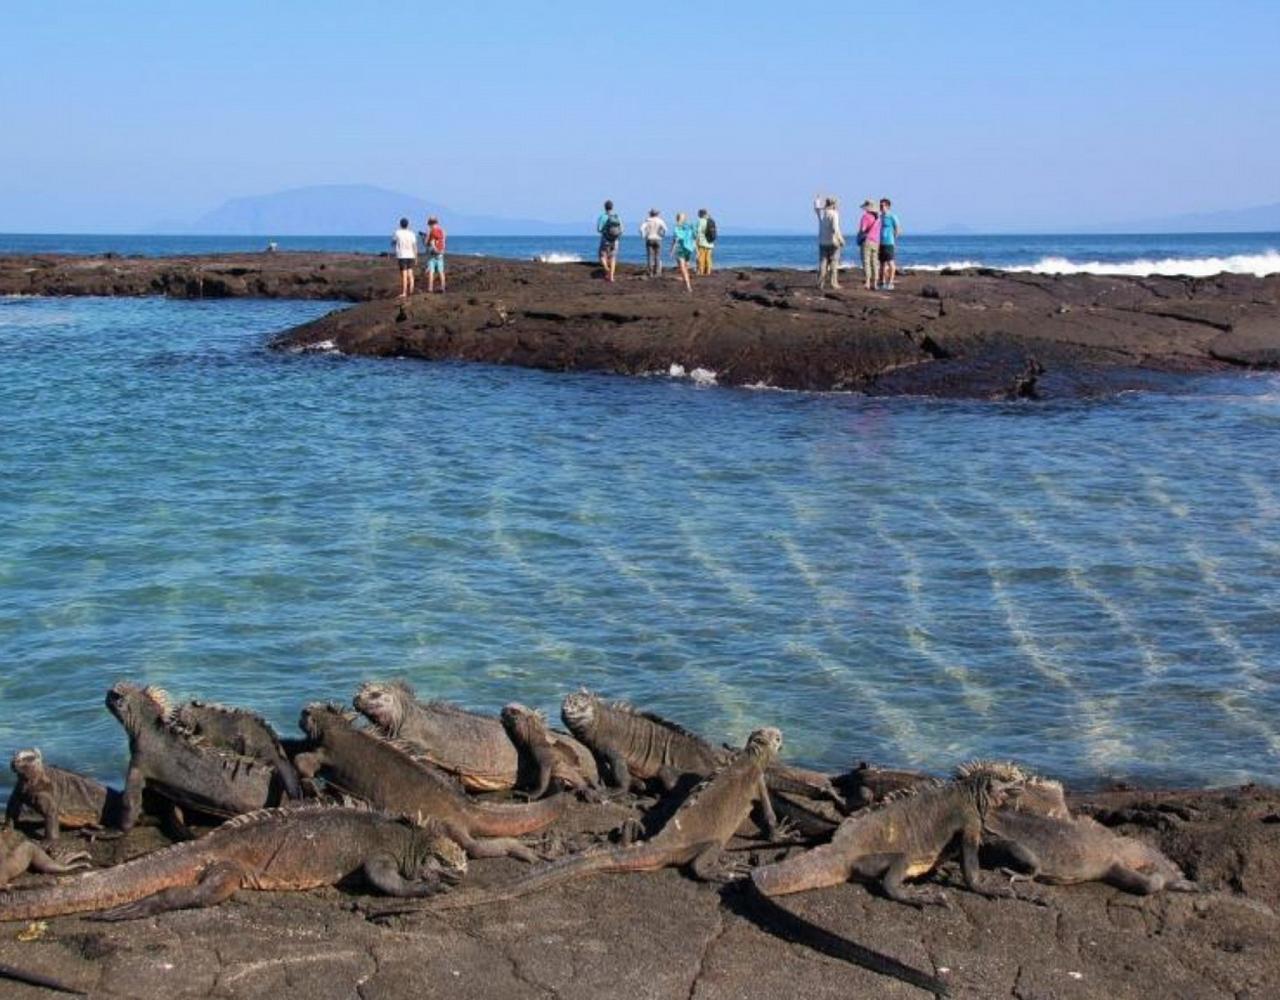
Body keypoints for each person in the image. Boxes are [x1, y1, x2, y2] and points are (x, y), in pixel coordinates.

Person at [813, 195, 845, 290]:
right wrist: (841, 240)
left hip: (822, 241)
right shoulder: (834, 214)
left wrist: (817, 200)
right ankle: (833, 283)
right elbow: (835, 229)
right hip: (833, 242)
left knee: (823, 262)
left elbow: (816, 208)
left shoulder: (822, 213)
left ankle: (820, 283)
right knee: (834, 263)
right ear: (834, 204)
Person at [857, 199, 881, 291]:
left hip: (867, 241)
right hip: (876, 242)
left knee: (866, 262)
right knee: (874, 262)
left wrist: (859, 234)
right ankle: (875, 283)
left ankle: (867, 282)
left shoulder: (865, 216)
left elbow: (862, 229)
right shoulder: (878, 218)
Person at [877, 198, 901, 290]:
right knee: (882, 263)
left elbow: (898, 229)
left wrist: (894, 239)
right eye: (880, 205)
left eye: (882, 205)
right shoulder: (880, 217)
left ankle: (890, 282)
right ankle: (882, 282)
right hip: (881, 243)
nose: (881, 207)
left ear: (888, 206)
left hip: (889, 242)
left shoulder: (892, 216)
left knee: (891, 263)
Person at [596, 200, 623, 282]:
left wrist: (605, 232)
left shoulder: (602, 217)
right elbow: (621, 229)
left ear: (605, 207)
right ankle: (611, 277)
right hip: (615, 240)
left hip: (605, 239)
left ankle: (607, 269)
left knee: (602, 256)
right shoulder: (617, 216)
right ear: (612, 207)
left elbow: (599, 229)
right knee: (613, 258)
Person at [670, 212, 697, 293]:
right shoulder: (690, 226)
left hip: (681, 249)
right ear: (685, 218)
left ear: (677, 218)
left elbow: (676, 240)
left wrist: (672, 250)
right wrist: (696, 250)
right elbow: (694, 238)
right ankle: (686, 286)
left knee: (683, 269)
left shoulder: (677, 227)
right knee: (685, 268)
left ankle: (688, 287)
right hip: (689, 249)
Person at [391, 217, 418, 297]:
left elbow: (393, 242)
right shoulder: (412, 233)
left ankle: (404, 292)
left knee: (404, 275)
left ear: (400, 224)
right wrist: (416, 257)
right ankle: (411, 290)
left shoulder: (397, 233)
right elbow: (415, 246)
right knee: (410, 273)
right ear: (408, 225)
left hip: (402, 256)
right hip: (411, 255)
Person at [639, 209, 668, 277]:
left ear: (650, 214)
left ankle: (650, 272)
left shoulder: (647, 221)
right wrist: (662, 235)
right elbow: (666, 229)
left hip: (649, 238)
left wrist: (643, 235)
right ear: (657, 214)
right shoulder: (660, 221)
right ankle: (657, 272)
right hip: (658, 239)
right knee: (657, 256)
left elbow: (641, 229)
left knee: (650, 256)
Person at [423, 215, 447, 293]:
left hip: (432, 254)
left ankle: (430, 288)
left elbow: (426, 243)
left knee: (431, 271)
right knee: (441, 271)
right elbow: (443, 241)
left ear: (429, 223)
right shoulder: (443, 230)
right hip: (440, 253)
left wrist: (424, 238)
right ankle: (443, 287)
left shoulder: (430, 231)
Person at [696, 208, 717, 275]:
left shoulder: (700, 221)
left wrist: (696, 241)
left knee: (701, 258)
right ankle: (708, 271)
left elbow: (698, 232)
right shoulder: (711, 221)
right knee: (708, 258)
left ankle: (701, 272)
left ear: (700, 214)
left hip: (702, 243)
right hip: (710, 243)